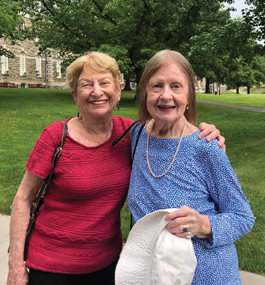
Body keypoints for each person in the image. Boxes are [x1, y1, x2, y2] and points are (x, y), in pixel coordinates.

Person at [7, 51, 224, 285]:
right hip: (52, 266)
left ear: (118, 90)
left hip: (108, 265)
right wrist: (15, 267)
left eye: (105, 83)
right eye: (86, 84)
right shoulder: (55, 137)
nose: (97, 91)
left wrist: (206, 134)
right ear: (74, 96)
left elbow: (170, 128)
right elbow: (23, 199)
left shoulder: (132, 134)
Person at [127, 50, 254, 285]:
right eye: (157, 86)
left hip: (207, 276)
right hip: (155, 275)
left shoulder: (205, 147)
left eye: (176, 86)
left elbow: (243, 216)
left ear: (189, 95)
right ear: (145, 92)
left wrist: (203, 225)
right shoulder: (135, 136)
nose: (166, 95)